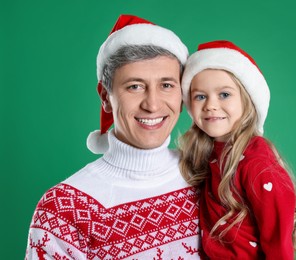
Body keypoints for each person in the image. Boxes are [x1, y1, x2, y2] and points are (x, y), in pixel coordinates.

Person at [26, 15, 201, 259]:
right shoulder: (63, 209)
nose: (152, 105)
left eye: (166, 85)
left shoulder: (209, 177)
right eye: (134, 86)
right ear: (105, 97)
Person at [178, 40, 296, 259]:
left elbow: (278, 243)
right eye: (200, 96)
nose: (211, 105)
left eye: (224, 94)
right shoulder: (208, 153)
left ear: (247, 99)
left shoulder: (256, 161)